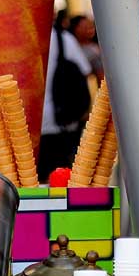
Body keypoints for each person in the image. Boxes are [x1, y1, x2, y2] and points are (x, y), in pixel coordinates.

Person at [39, 18, 93, 181]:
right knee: (60, 186)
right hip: (60, 124)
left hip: (25, 126)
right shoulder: (63, 39)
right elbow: (84, 71)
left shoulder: (10, 39)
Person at [68, 15, 103, 82]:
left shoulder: (95, 48)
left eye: (91, 26)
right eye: (85, 27)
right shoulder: (70, 47)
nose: (90, 30)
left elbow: (100, 75)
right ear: (75, 28)